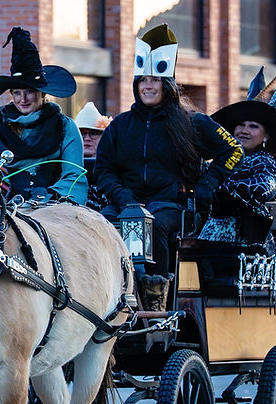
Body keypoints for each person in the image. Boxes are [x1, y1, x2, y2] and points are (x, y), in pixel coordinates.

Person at [94, 24, 242, 309]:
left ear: (168, 84)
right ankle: (104, 297)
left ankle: (155, 296)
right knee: (100, 225)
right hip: (125, 203)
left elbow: (233, 150)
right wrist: (124, 198)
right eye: (142, 80)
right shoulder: (120, 126)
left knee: (155, 226)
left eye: (155, 79)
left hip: (170, 206)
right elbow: (103, 170)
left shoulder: (192, 121)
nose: (148, 85)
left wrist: (206, 185)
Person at [0, 27, 88, 205]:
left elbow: (74, 177)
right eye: (17, 93)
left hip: (55, 208)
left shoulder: (65, 127)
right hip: (7, 209)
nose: (23, 99)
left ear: (42, 94)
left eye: (29, 91)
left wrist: (44, 200)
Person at [201, 63, 276, 248]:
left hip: (248, 251)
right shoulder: (222, 160)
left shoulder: (267, 164)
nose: (244, 131)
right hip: (210, 247)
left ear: (266, 135)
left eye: (253, 126)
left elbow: (263, 188)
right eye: (241, 125)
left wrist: (219, 190)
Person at [72, 102, 112, 210]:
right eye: (82, 133)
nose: (87, 138)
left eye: (93, 133)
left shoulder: (112, 168)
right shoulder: (64, 167)